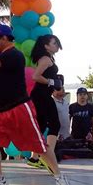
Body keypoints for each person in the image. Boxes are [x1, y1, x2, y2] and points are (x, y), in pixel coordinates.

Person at [0, 25, 73, 185]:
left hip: (18, 109)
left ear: (4, 38)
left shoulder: (14, 55)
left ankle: (60, 178)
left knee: (39, 146)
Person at [26, 35, 63, 170]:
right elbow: (35, 76)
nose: (57, 45)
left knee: (41, 126)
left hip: (42, 95)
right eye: (54, 43)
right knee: (55, 124)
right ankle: (48, 156)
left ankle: (35, 157)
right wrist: (52, 82)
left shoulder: (49, 58)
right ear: (46, 46)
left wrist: (54, 85)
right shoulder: (46, 59)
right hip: (41, 96)